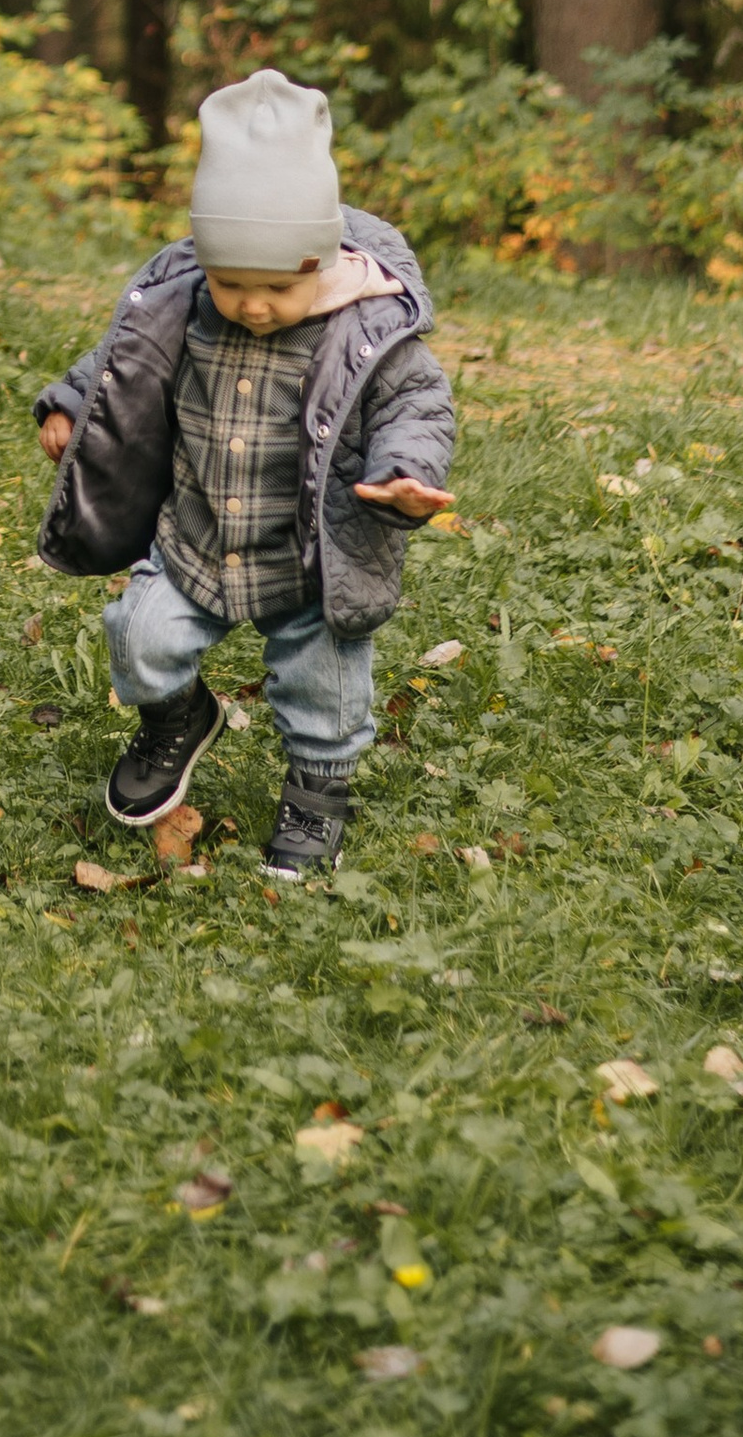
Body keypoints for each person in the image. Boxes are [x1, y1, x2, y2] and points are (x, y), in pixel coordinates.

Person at [33, 67, 455, 877]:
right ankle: (178, 718)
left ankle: (317, 794)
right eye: (231, 283)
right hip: (198, 538)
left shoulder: (367, 328)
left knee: (324, 682)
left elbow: (418, 407)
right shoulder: (184, 301)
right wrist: (70, 406)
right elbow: (120, 361)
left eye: (275, 286)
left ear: (322, 259)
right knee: (140, 636)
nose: (252, 305)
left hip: (311, 555)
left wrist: (404, 474)